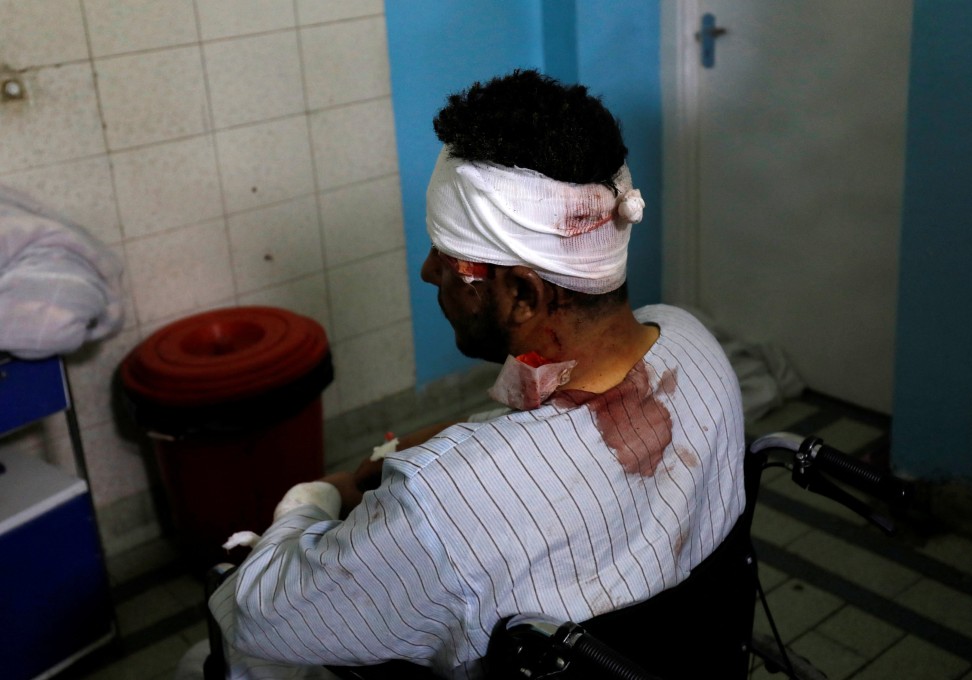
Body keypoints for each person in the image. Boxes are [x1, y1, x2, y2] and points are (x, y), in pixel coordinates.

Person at [208, 69, 745, 680]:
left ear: (521, 292)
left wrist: (315, 496)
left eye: (445, 252)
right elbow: (550, 419)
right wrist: (446, 441)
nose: (427, 271)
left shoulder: (438, 509)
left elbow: (257, 616)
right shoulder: (692, 341)